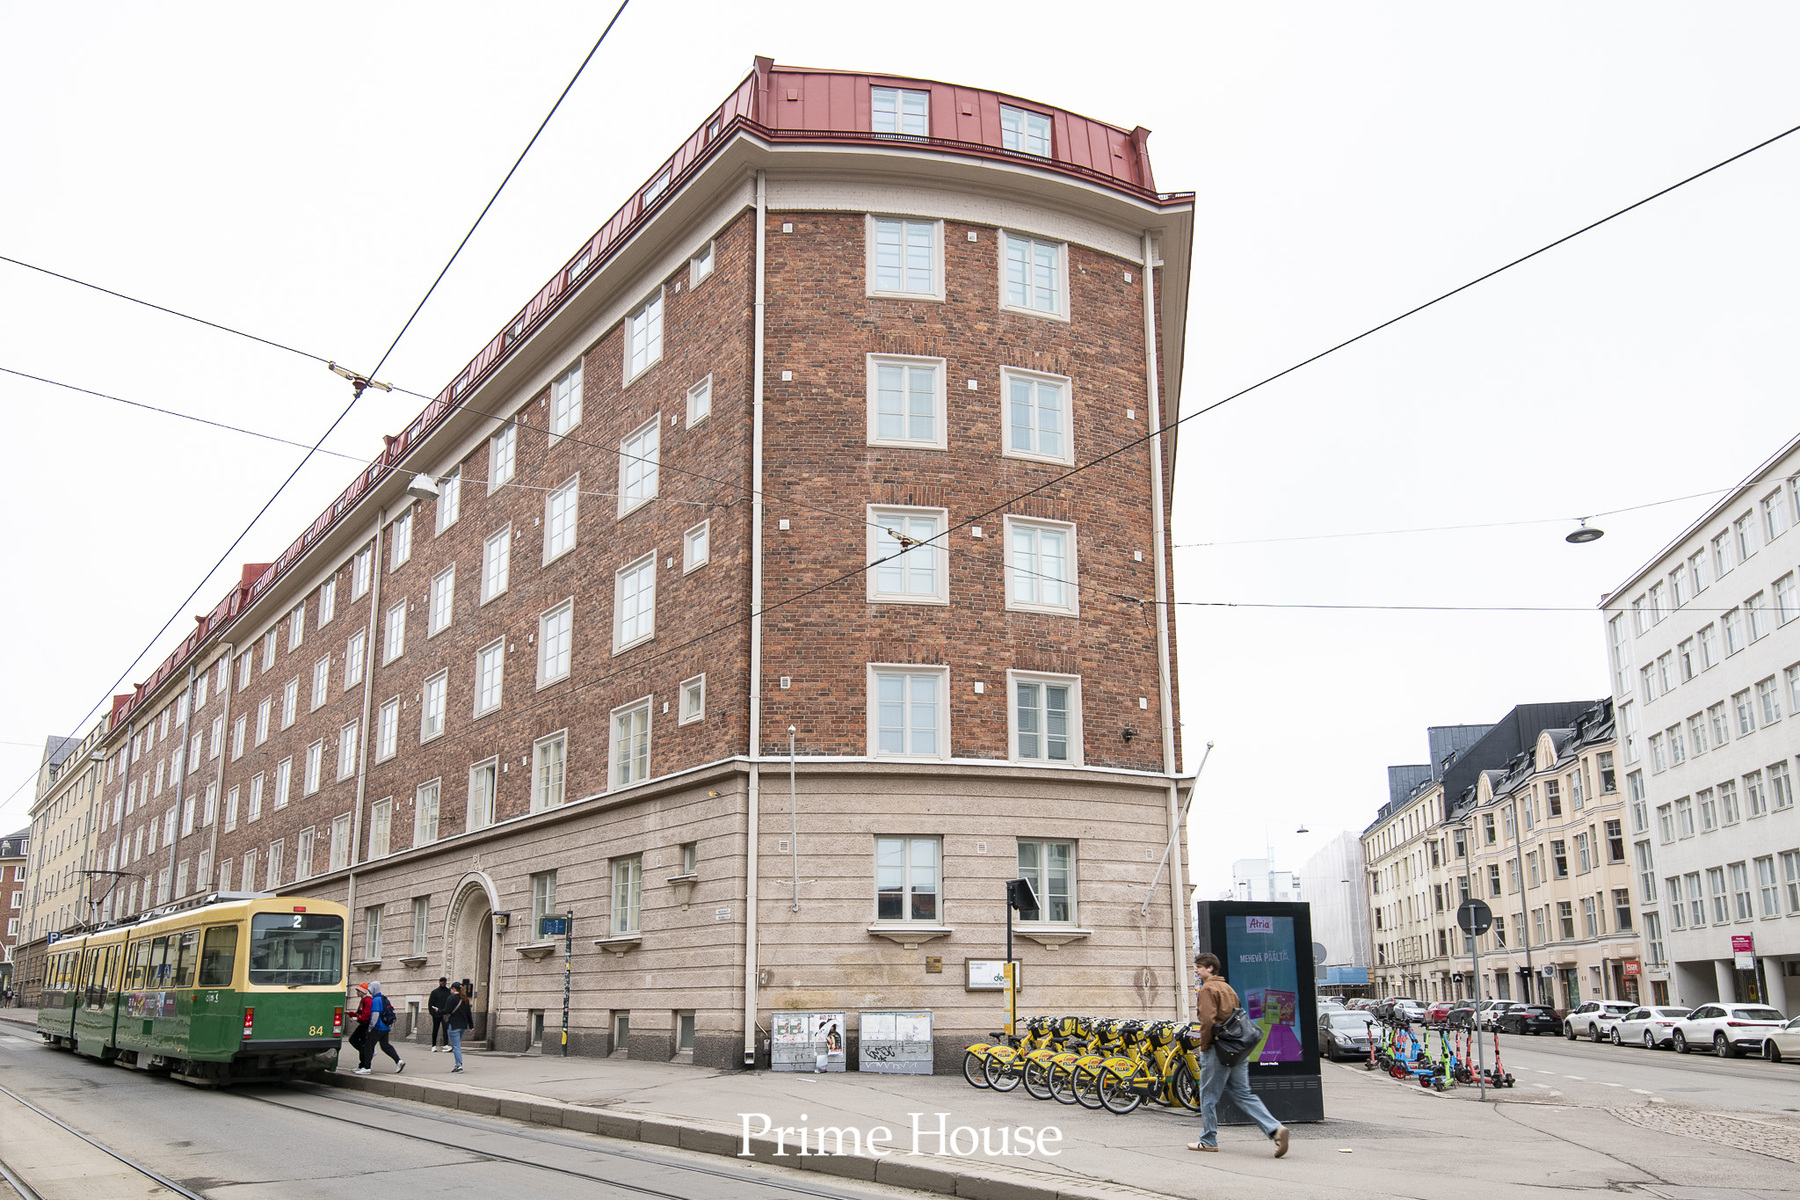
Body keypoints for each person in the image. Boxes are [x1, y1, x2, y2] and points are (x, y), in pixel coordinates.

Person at [1187, 952, 1289, 1157]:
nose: (1196, 970)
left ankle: (1208, 1140)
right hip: (1237, 1048)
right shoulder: (1227, 988)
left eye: (1199, 966)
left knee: (1208, 1096)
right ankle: (1275, 1129)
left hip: (1218, 1049)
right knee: (1244, 1093)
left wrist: (1204, 1047)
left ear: (1210, 968)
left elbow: (1207, 1021)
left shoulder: (1207, 988)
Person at [354, 980, 405, 1075]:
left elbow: (375, 1015)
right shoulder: (384, 998)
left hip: (377, 1028)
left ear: (374, 989)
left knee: (368, 1047)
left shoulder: (376, 1000)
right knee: (386, 1046)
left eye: (370, 989)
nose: (369, 991)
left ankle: (366, 1068)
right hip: (386, 1028)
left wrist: (370, 1027)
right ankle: (399, 1061)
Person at [445, 981, 473, 1073]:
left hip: (454, 1025)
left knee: (456, 1046)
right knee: (457, 1045)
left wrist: (438, 1011)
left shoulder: (451, 998)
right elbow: (469, 1013)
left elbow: (447, 1010)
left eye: (451, 989)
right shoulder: (465, 999)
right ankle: (457, 1064)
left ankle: (459, 1065)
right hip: (463, 1026)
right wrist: (471, 1025)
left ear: (453, 989)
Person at [427, 977, 453, 1052]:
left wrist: (449, 1012)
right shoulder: (435, 992)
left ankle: (445, 1044)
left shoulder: (448, 992)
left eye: (444, 981)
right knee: (435, 1029)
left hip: (445, 1014)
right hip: (437, 1014)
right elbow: (430, 1004)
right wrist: (433, 1013)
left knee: (445, 1029)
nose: (443, 983)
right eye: (441, 981)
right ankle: (433, 1045)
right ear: (439, 982)